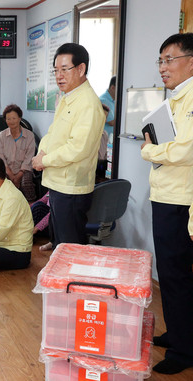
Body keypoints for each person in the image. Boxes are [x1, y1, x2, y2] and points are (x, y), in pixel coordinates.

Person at [140, 33, 193, 375]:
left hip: (179, 201)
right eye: (160, 60)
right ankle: (179, 334)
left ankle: (185, 352)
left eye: (169, 59)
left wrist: (149, 151)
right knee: (171, 274)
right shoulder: (177, 98)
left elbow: (184, 149)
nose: (163, 67)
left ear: (191, 60)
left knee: (176, 276)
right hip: (166, 196)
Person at [32, 43, 104, 248]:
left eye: (65, 69)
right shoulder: (68, 98)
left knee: (70, 246)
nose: (59, 75)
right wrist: (41, 152)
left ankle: (73, 281)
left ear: (81, 69)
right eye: (56, 70)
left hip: (71, 186)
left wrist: (44, 160)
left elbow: (77, 148)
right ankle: (61, 280)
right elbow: (53, 132)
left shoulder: (88, 103)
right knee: (60, 243)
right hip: (58, 182)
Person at [0, 104, 37, 202]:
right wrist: (11, 175)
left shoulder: (29, 136)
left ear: (19, 118)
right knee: (2, 182)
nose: (11, 121)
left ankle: (31, 207)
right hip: (6, 169)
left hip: (24, 170)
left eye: (14, 118)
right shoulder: (1, 136)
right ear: (5, 120)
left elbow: (28, 159)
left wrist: (18, 176)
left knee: (26, 183)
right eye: (8, 119)